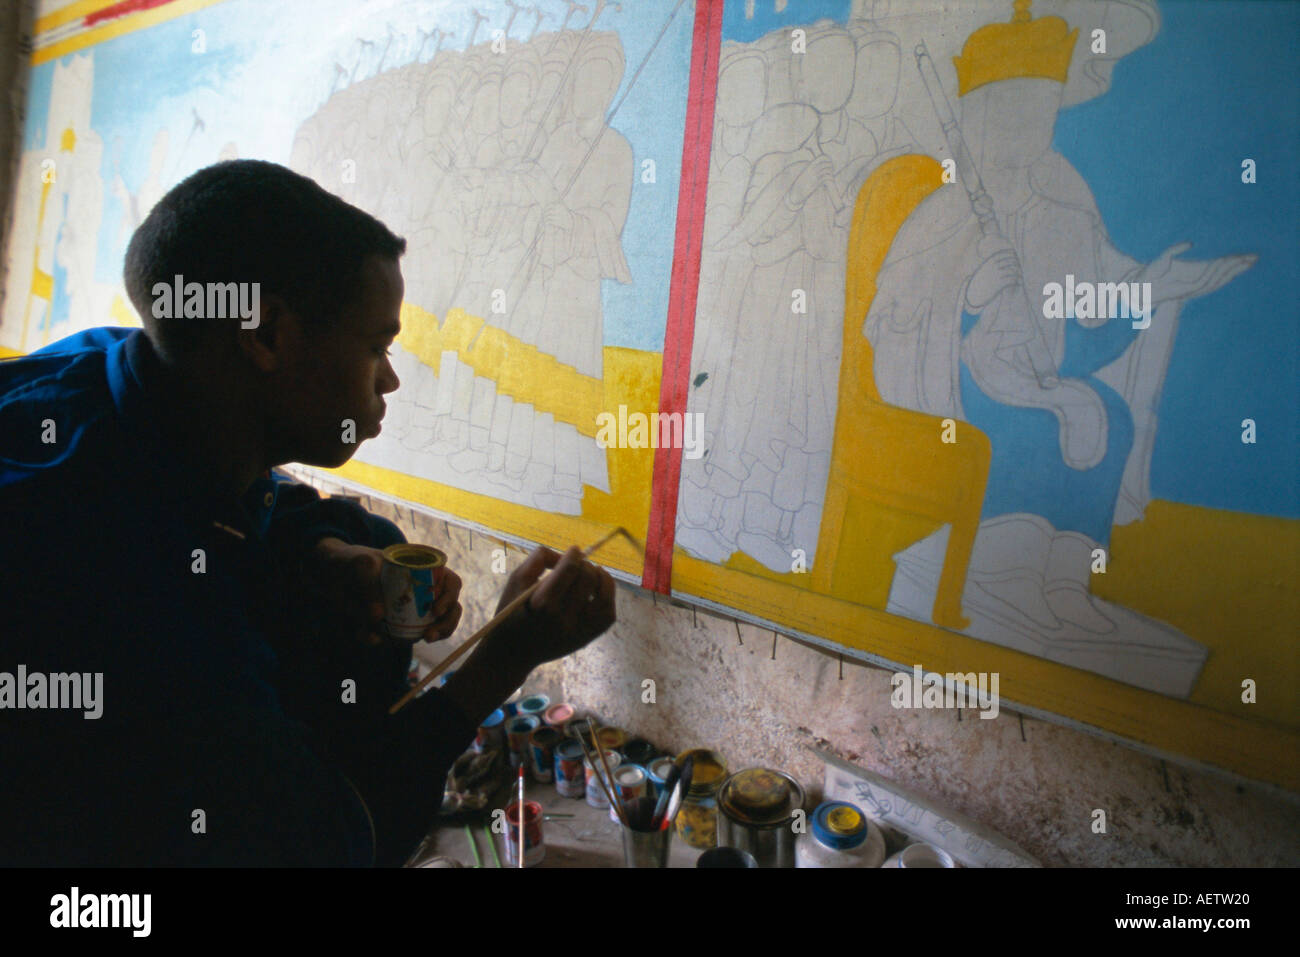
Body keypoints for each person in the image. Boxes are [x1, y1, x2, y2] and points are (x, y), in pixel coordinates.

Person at [0, 159, 617, 866]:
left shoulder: (121, 371)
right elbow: (325, 842)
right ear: (264, 336)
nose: (390, 378)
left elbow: (253, 504)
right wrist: (504, 656)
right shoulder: (131, 597)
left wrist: (327, 556)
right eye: (377, 345)